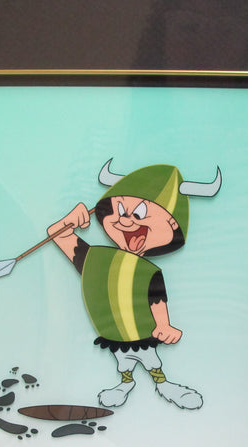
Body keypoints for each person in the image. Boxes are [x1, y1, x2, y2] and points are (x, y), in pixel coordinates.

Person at [48, 160, 220, 409]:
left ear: (173, 226)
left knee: (150, 360)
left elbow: (156, 298)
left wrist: (164, 325)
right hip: (113, 334)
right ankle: (125, 383)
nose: (125, 221)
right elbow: (58, 235)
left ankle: (163, 384)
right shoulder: (95, 258)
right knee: (123, 362)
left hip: (142, 333)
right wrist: (69, 221)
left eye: (138, 214)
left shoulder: (149, 271)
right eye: (119, 210)